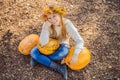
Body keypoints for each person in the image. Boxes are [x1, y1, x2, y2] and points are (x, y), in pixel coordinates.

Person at [30, 6, 84, 80]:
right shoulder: (47, 24)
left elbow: (80, 40)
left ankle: (39, 59)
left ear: (60, 14)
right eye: (49, 18)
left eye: (54, 16)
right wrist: (45, 28)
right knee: (33, 52)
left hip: (62, 45)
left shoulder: (67, 24)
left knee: (57, 56)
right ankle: (59, 68)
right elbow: (43, 43)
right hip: (48, 44)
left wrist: (75, 54)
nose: (52, 20)